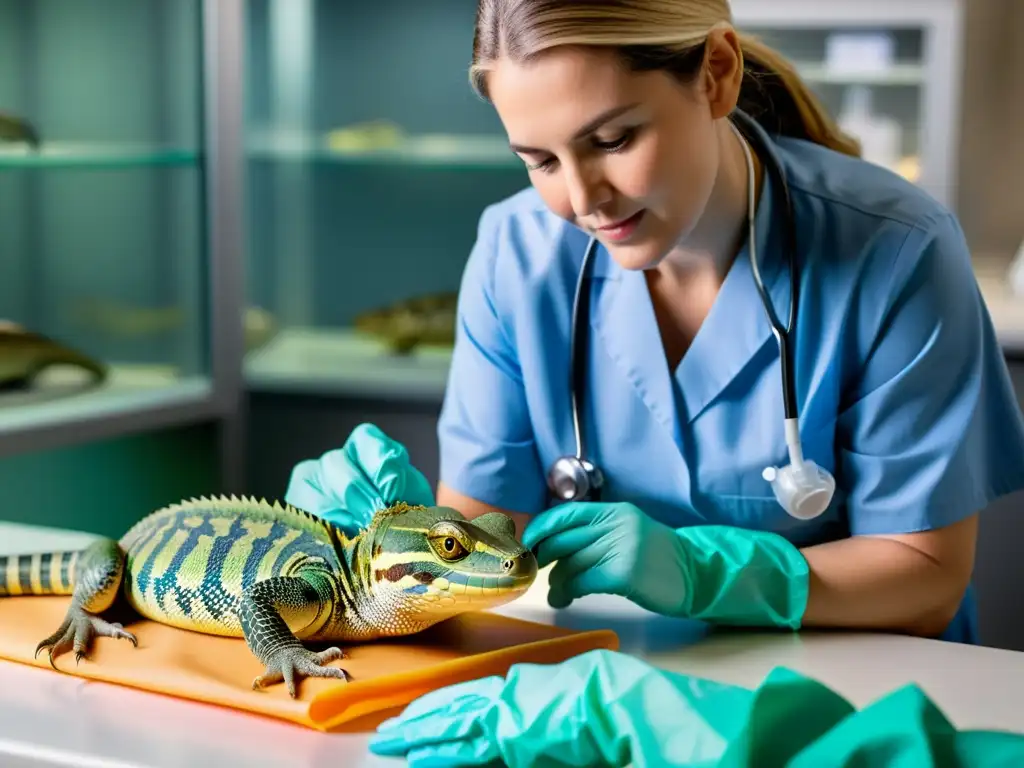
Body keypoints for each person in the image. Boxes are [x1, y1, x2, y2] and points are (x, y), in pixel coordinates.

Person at [284, 0, 1024, 762]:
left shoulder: (896, 249)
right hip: (585, 704)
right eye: (539, 161)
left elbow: (927, 578)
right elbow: (480, 543)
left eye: (612, 139)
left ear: (717, 74)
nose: (580, 199)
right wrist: (388, 549)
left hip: (848, 716)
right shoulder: (517, 252)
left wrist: (704, 572)